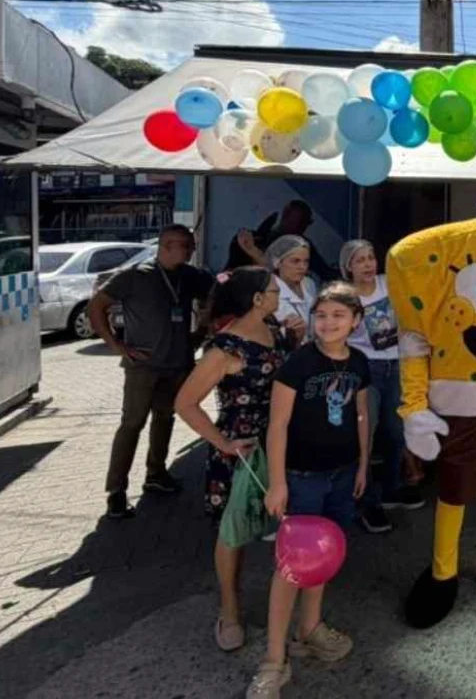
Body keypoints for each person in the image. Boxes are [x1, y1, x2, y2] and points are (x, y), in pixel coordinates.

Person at [248, 282, 371, 697]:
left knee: (324, 556)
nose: (328, 323)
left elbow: (360, 415)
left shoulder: (360, 362)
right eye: (321, 315)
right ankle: (273, 659)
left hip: (342, 474)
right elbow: (277, 425)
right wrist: (278, 481)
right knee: (290, 566)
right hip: (302, 477)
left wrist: (363, 466)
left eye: (338, 315)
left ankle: (310, 628)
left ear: (356, 321)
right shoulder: (299, 363)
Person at [173, 267, 288, 652]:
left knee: (280, 525)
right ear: (257, 299)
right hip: (242, 453)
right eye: (273, 289)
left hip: (279, 445)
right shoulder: (224, 349)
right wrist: (223, 442)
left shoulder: (274, 330)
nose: (279, 294)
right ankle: (229, 609)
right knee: (232, 533)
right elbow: (185, 404)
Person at [88, 224, 215, 519]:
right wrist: (117, 345)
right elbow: (96, 307)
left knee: (165, 418)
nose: (192, 251)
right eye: (188, 246)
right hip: (142, 366)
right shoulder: (134, 276)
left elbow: (218, 291)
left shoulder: (190, 276)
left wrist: (204, 327)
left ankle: (156, 474)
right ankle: (116, 491)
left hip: (178, 363)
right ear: (169, 245)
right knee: (132, 423)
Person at [339, 239, 422, 535]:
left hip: (396, 364)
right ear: (348, 266)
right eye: (360, 260)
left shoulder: (390, 284)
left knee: (396, 431)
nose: (368, 264)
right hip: (365, 368)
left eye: (371, 257)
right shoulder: (345, 297)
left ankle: (392, 489)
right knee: (366, 435)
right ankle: (367, 502)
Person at [224, 200, 339, 282]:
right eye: (297, 222)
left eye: (305, 223)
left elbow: (324, 272)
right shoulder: (254, 240)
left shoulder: (303, 245)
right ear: (285, 217)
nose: (301, 227)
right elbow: (226, 275)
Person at [267, 235, 316, 346]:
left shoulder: (309, 283)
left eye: (306, 261)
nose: (302, 267)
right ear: (278, 262)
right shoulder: (270, 291)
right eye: (295, 261)